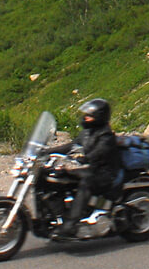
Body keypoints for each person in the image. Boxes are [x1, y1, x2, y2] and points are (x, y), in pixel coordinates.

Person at [50, 98, 122, 236]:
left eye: (89, 116)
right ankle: (56, 216)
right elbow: (71, 146)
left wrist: (81, 159)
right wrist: (47, 151)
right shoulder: (87, 132)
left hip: (105, 173)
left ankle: (71, 223)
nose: (85, 117)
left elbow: (98, 153)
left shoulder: (106, 135)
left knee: (86, 182)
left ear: (98, 117)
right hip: (91, 169)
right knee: (54, 175)